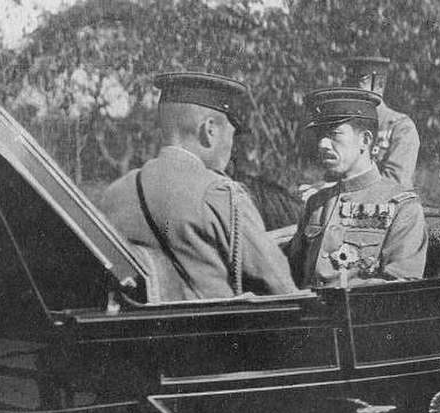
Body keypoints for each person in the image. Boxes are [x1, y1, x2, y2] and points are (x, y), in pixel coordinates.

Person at [100, 72, 296, 301]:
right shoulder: (220, 194)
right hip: (219, 334)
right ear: (209, 130)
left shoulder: (114, 194)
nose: (231, 146)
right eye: (231, 135)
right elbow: (282, 289)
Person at [288, 88, 428, 288]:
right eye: (320, 135)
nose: (322, 144)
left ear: (365, 140)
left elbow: (400, 286)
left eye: (333, 134)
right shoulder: (316, 204)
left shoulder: (403, 208)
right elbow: (292, 274)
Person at [343, 56, 420, 189]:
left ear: (379, 84)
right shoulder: (348, 126)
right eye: (350, 82)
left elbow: (394, 182)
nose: (352, 89)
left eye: (360, 81)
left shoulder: (401, 127)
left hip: (391, 206)